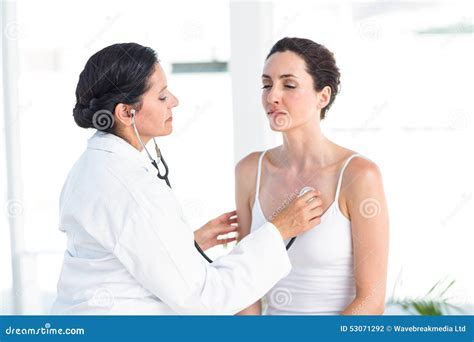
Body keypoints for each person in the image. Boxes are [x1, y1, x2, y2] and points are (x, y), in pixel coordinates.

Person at [51, 43, 323, 315]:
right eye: (161, 97)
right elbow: (205, 299)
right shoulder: (134, 191)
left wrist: (185, 243)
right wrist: (279, 231)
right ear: (125, 113)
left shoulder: (91, 166)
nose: (174, 101)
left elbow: (112, 259)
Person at [236, 37, 389, 315]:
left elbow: (372, 301)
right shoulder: (249, 170)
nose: (272, 96)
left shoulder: (359, 175)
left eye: (289, 85)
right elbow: (245, 288)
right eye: (267, 84)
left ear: (323, 96)